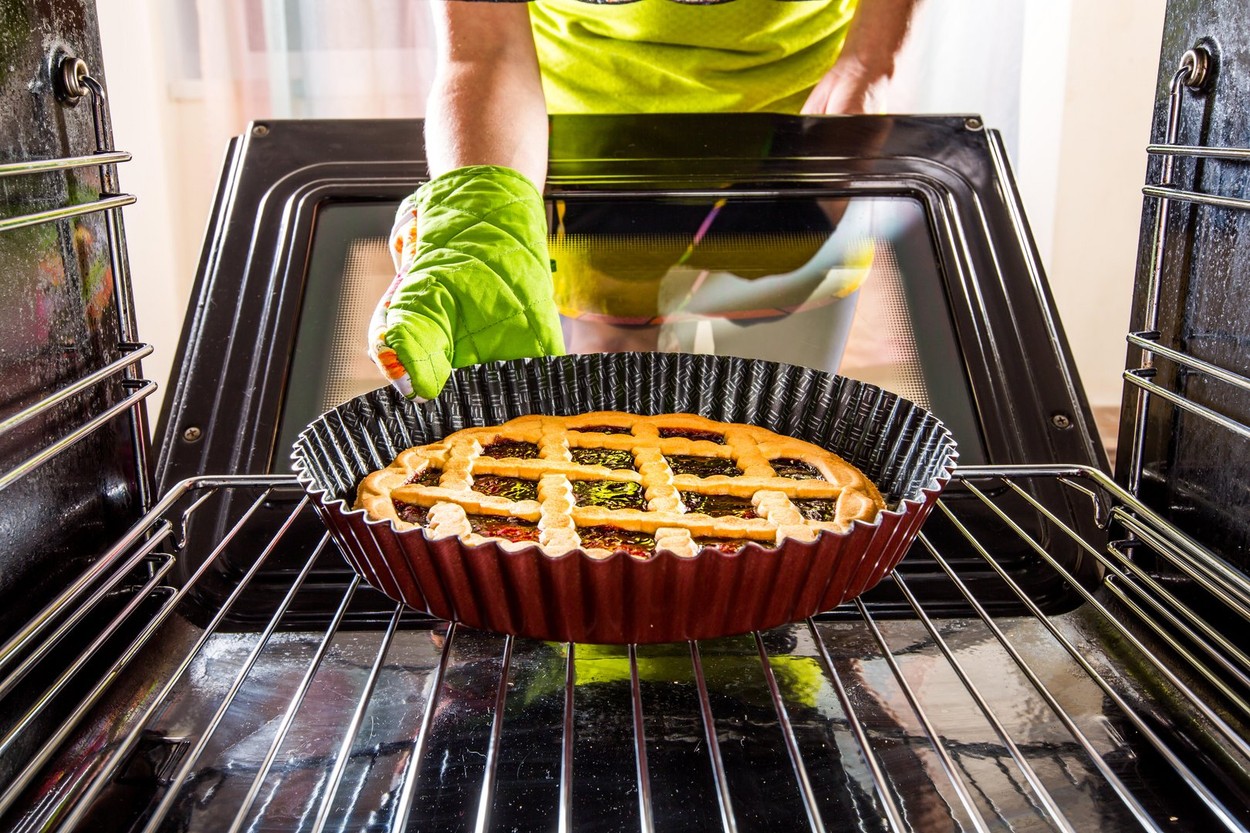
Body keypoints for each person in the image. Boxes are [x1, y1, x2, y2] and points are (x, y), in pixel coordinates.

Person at [370, 0, 920, 400]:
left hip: (800, 115)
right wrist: (481, 217)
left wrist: (870, 60)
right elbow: (487, 49)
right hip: (579, 132)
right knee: (602, 394)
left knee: (778, 404)